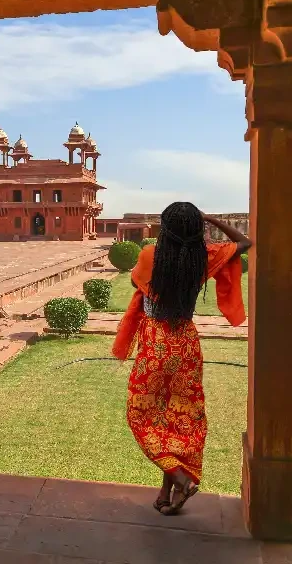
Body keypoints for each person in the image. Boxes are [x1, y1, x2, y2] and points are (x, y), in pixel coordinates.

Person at [112, 202, 251, 516]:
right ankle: (167, 492)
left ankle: (178, 478)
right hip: (186, 344)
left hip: (156, 343)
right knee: (177, 418)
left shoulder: (149, 256)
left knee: (142, 416)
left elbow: (138, 283)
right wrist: (211, 219)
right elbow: (245, 242)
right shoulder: (204, 258)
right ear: (197, 229)